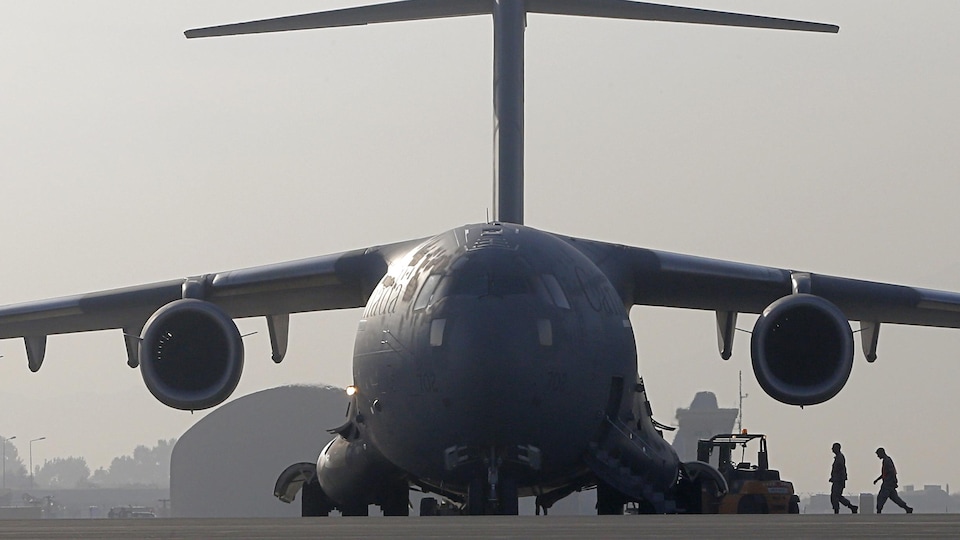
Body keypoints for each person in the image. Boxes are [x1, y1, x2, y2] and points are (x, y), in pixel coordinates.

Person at [873, 447, 913, 514]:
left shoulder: (887, 460)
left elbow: (891, 472)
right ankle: (907, 508)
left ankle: (879, 511)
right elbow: (884, 473)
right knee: (895, 499)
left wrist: (889, 481)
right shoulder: (886, 460)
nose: (877, 456)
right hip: (890, 483)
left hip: (888, 484)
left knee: (881, 497)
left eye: (878, 454)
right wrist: (877, 480)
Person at [829, 443, 858, 514]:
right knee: (838, 496)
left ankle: (837, 510)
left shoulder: (840, 458)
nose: (832, 449)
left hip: (838, 480)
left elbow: (839, 468)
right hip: (837, 479)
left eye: (833, 448)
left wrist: (835, 477)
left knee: (835, 496)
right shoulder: (838, 457)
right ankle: (851, 507)